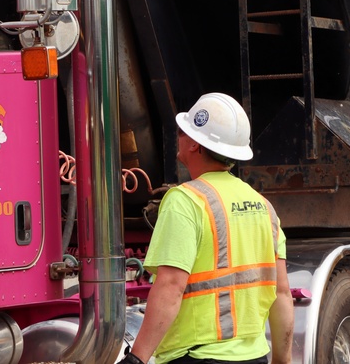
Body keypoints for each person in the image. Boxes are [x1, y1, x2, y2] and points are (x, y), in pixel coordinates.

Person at [122, 93, 293, 364]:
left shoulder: (185, 200)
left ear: (195, 145)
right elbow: (281, 292)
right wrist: (283, 361)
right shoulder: (264, 207)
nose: (178, 136)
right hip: (256, 356)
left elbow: (170, 286)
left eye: (183, 131)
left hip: (196, 356)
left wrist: (137, 358)